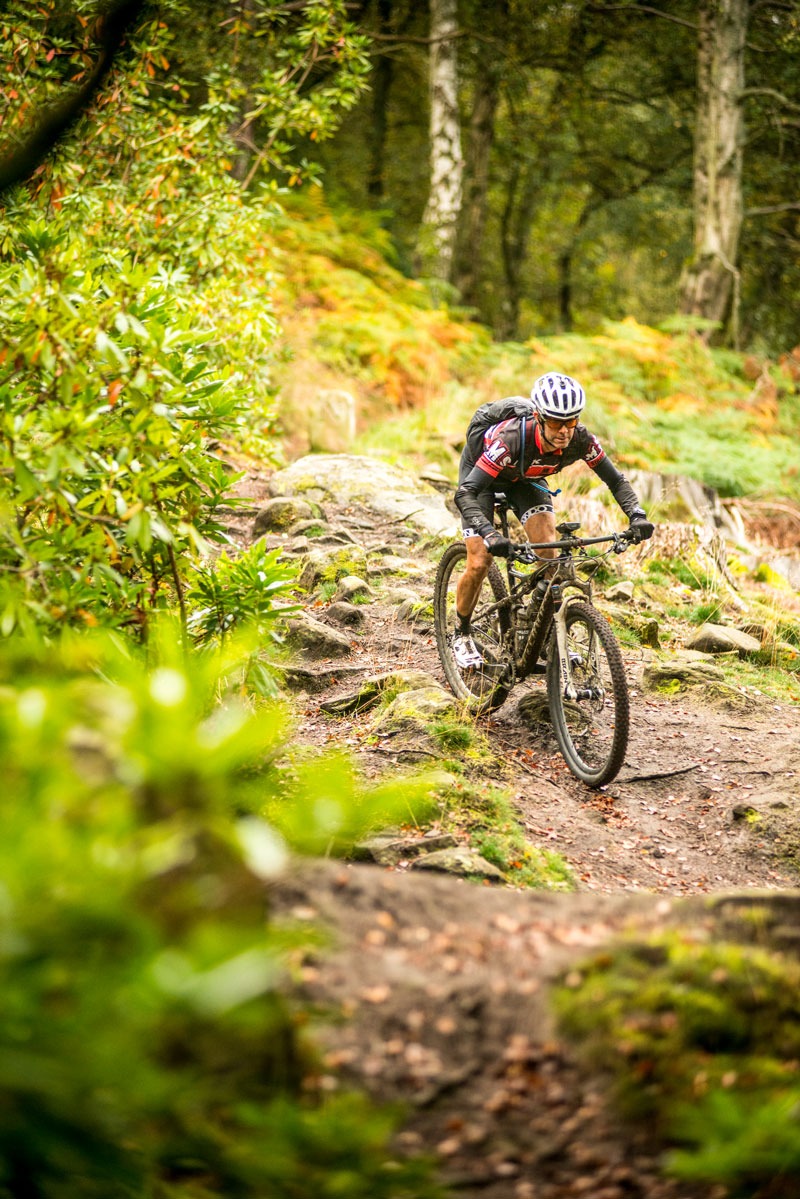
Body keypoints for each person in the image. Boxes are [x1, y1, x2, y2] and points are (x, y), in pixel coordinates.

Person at [452, 371, 654, 668]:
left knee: (550, 554)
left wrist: (636, 514)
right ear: (539, 416)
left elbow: (615, 480)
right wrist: (490, 534)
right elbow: (465, 494)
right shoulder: (510, 440)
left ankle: (541, 632)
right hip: (482, 479)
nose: (565, 430)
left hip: (525, 479)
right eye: (557, 422)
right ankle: (462, 632)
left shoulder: (581, 440)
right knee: (480, 560)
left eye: (571, 421)